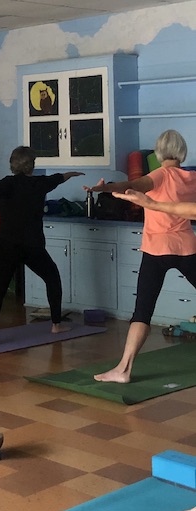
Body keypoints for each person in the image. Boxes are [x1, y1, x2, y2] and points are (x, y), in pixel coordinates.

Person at [83, 129, 196, 383]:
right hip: (187, 247)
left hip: (157, 251)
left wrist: (104, 188)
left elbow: (132, 185)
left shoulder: (159, 174)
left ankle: (124, 369)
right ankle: (122, 369)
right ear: (182, 151)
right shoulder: (191, 177)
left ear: (158, 153)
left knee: (142, 312)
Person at [0, 146, 84, 349]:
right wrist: (73, 173)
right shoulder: (40, 183)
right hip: (32, 246)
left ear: (13, 164)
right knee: (52, 278)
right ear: (31, 165)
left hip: (8, 245)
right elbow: (60, 177)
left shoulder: (8, 184)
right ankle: (56, 324)